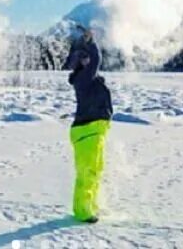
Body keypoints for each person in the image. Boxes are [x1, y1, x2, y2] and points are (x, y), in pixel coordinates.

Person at [63, 26, 113, 223]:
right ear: (80, 63)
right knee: (87, 173)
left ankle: (91, 205)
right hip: (87, 131)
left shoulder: (90, 80)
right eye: (83, 58)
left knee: (96, 170)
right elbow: (97, 60)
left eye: (87, 57)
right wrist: (90, 41)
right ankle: (83, 211)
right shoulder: (83, 78)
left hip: (95, 131)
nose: (88, 60)